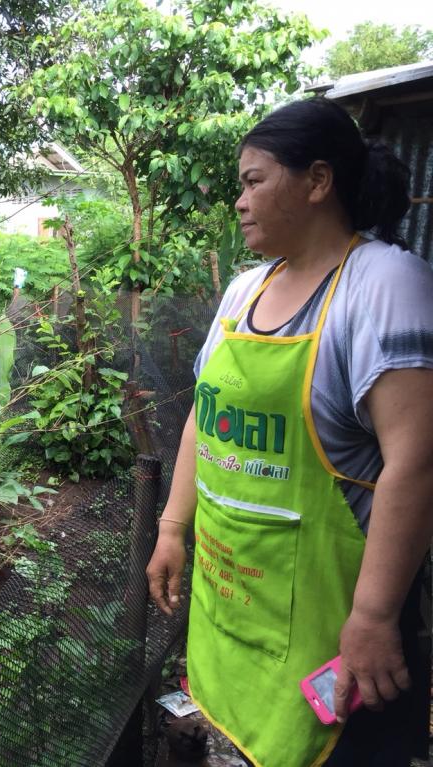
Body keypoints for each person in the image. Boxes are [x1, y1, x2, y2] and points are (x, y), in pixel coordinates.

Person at [145, 97, 433, 767]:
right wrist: (172, 527)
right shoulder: (243, 291)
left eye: (254, 181)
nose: (239, 201)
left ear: (318, 180)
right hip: (236, 603)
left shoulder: (383, 284)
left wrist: (374, 616)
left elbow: (417, 461)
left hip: (339, 631)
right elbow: (204, 417)